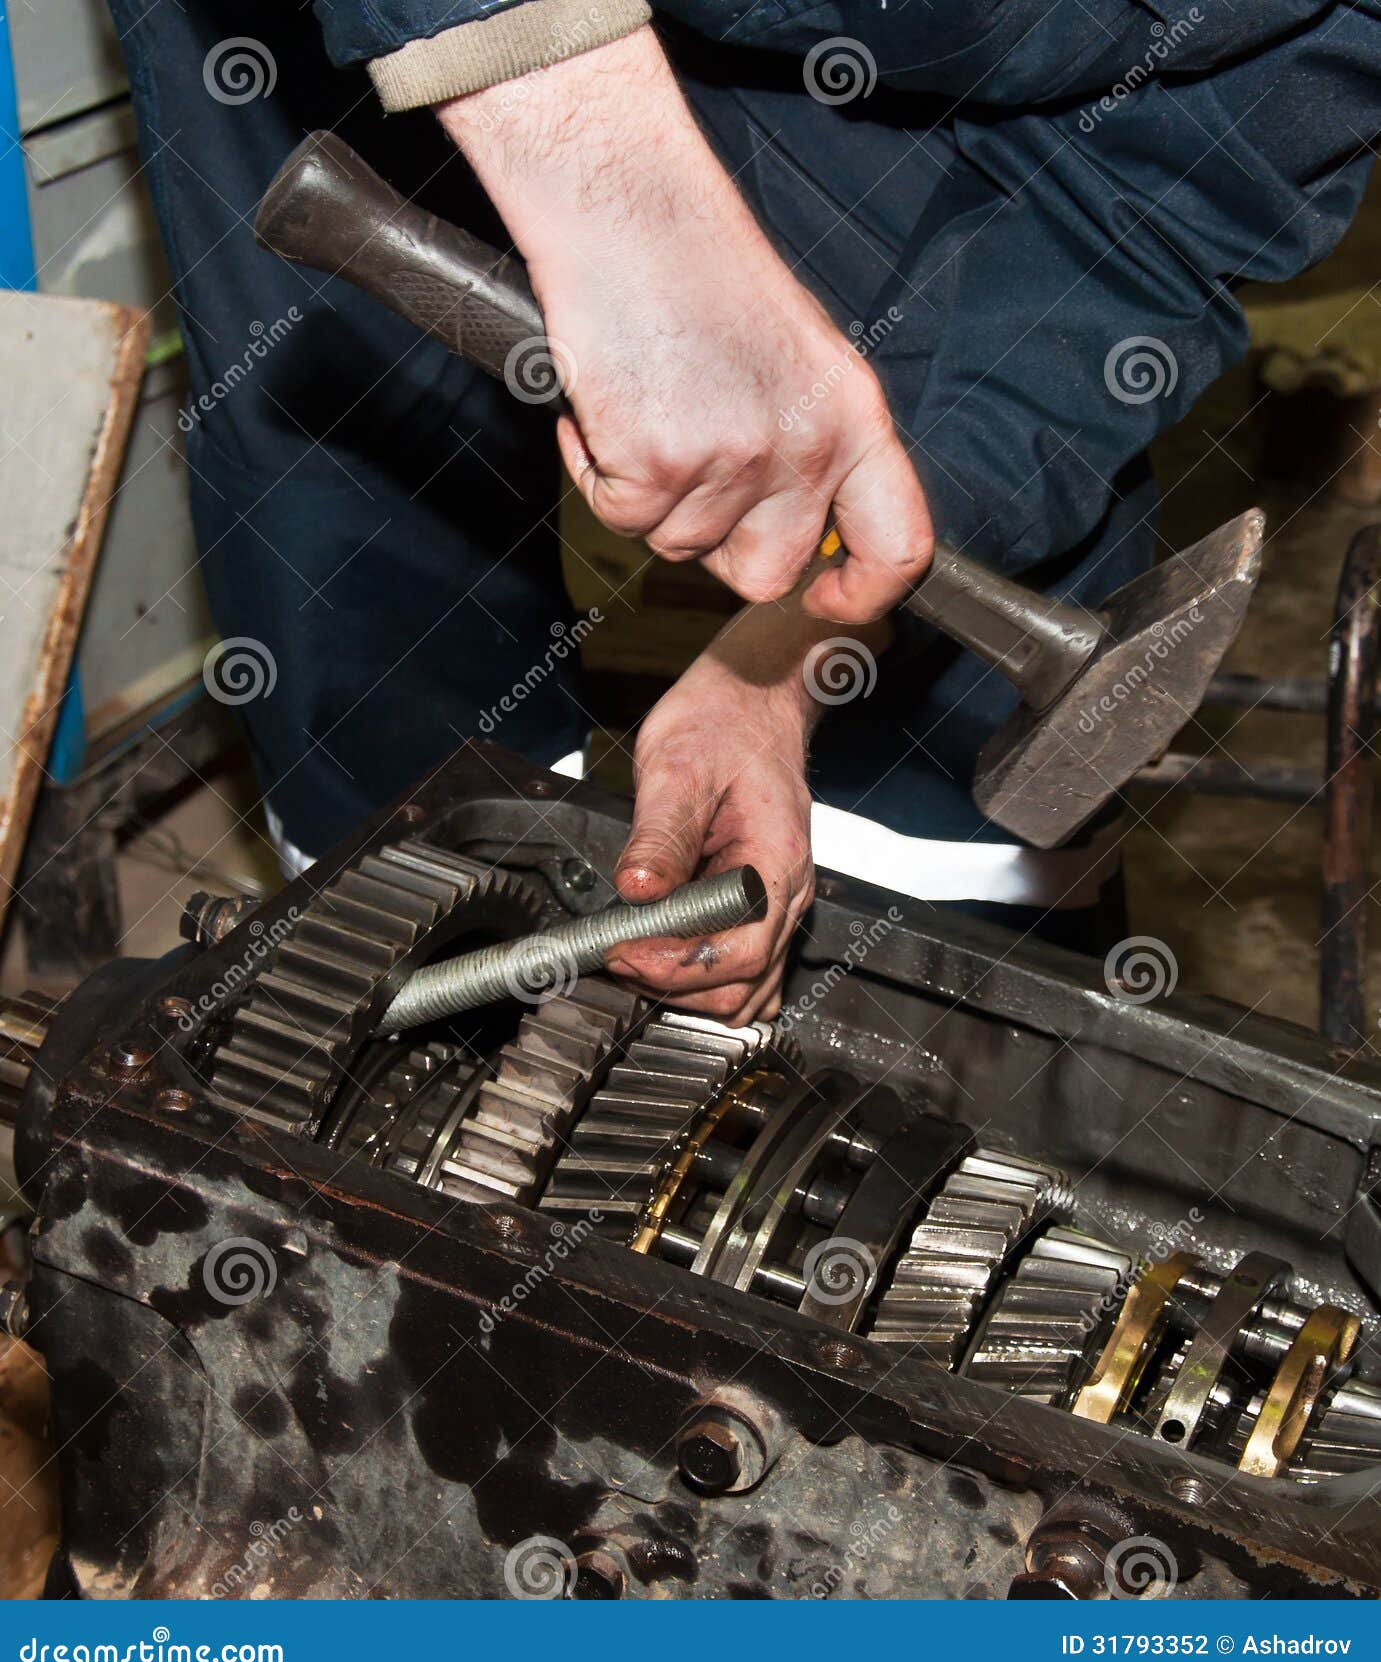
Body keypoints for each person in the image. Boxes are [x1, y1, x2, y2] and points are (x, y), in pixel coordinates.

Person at [107, 0, 1379, 1021]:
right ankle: (401, 996)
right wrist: (603, 173)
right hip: (329, 45)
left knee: (921, 892)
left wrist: (784, 661)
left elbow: (1138, 221)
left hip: (924, 52)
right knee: (358, 542)